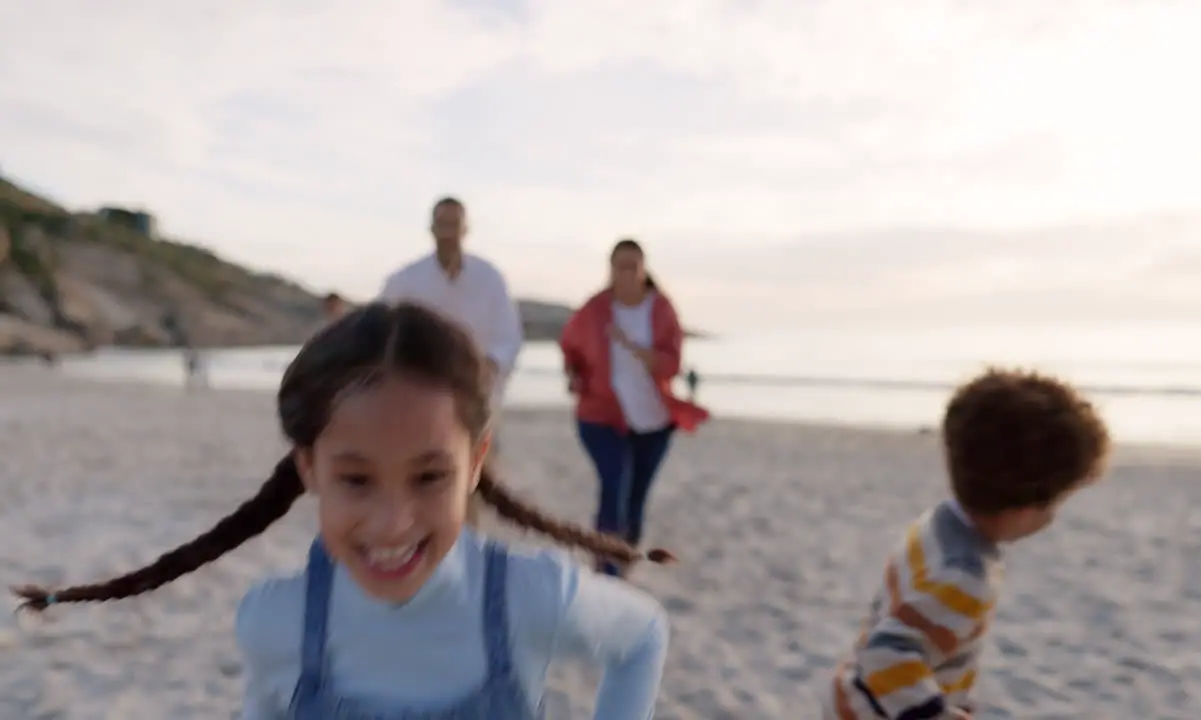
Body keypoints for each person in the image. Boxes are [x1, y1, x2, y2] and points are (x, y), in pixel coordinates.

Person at [15, 302, 673, 720]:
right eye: (356, 480)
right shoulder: (276, 621)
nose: (393, 521)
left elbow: (641, 637)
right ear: (309, 468)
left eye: (430, 476)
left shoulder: (529, 596)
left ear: (476, 463)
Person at [822, 368, 1111, 720]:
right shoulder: (964, 576)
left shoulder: (938, 524)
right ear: (1021, 506)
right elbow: (886, 656)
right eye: (1052, 504)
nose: (1051, 517)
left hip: (852, 695)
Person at [560, 238, 709, 577]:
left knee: (636, 499)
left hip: (653, 422)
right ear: (609, 270)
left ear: (644, 270)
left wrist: (635, 348)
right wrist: (572, 373)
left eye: (632, 265)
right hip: (600, 416)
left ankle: (622, 561)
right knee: (615, 481)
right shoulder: (595, 309)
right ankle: (605, 567)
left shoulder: (661, 309)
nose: (625, 272)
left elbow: (671, 365)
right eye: (618, 265)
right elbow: (570, 346)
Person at [379, 197, 524, 526]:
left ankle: (467, 556)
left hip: (477, 400)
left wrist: (491, 363)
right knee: (421, 480)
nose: (448, 231)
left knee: (470, 482)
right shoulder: (405, 281)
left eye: (454, 224)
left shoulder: (489, 278)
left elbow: (509, 335)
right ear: (431, 228)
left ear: (466, 228)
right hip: (418, 401)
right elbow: (378, 332)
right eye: (442, 224)